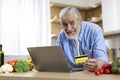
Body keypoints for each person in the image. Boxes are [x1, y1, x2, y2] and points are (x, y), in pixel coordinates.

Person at [56, 7, 108, 72]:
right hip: (72, 74)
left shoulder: (94, 30)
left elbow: (102, 59)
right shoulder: (61, 35)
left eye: (72, 23)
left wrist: (97, 64)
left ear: (80, 21)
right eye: (65, 25)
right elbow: (58, 60)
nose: (68, 28)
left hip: (91, 74)